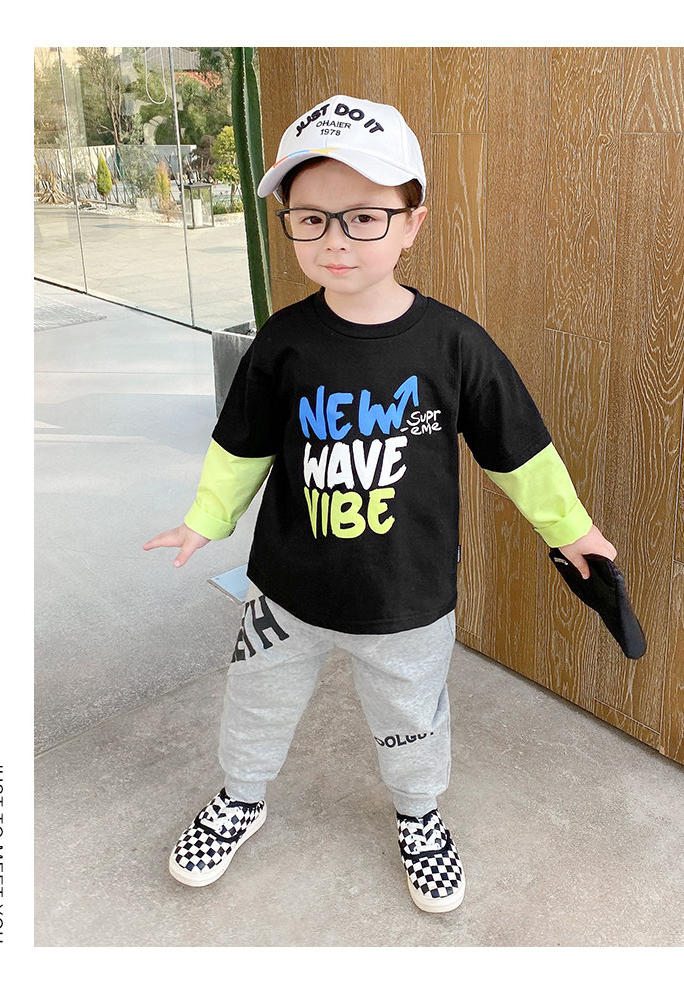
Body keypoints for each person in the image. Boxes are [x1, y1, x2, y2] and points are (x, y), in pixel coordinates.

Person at [143, 94, 618, 913]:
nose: (334, 239)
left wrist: (571, 530)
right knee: (254, 705)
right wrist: (205, 520)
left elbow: (518, 449)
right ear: (289, 224)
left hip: (407, 597)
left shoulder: (454, 344)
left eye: (363, 217)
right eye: (311, 219)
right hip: (285, 592)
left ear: (411, 223)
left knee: (411, 722)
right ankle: (241, 799)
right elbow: (243, 444)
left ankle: (419, 817)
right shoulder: (283, 340)